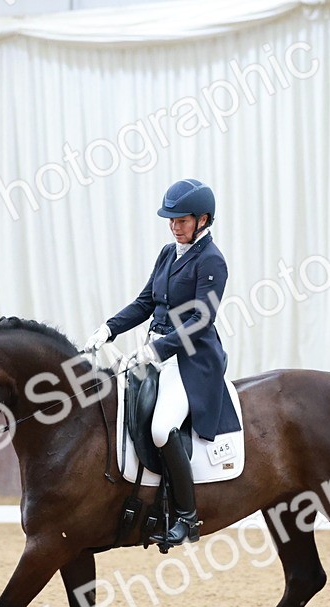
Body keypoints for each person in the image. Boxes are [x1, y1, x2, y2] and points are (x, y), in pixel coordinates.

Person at [84, 179, 242, 549]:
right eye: (171, 220)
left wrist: (159, 350)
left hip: (191, 361)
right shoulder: (168, 254)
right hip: (152, 351)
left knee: (161, 428)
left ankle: (187, 517)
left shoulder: (212, 261)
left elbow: (201, 321)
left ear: (203, 220)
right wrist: (109, 328)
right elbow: (145, 303)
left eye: (182, 220)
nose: (174, 226)